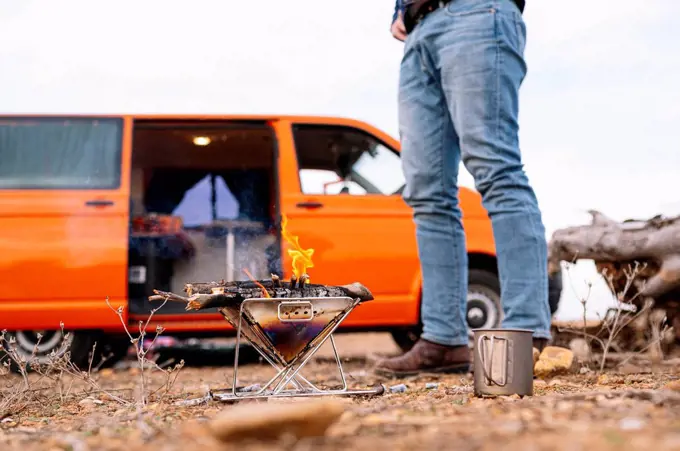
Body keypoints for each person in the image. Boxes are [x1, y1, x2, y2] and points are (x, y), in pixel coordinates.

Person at [374, 0, 552, 377]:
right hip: (419, 30)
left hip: (476, 12)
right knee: (426, 193)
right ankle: (443, 340)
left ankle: (524, 335)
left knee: (496, 170)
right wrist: (400, 11)